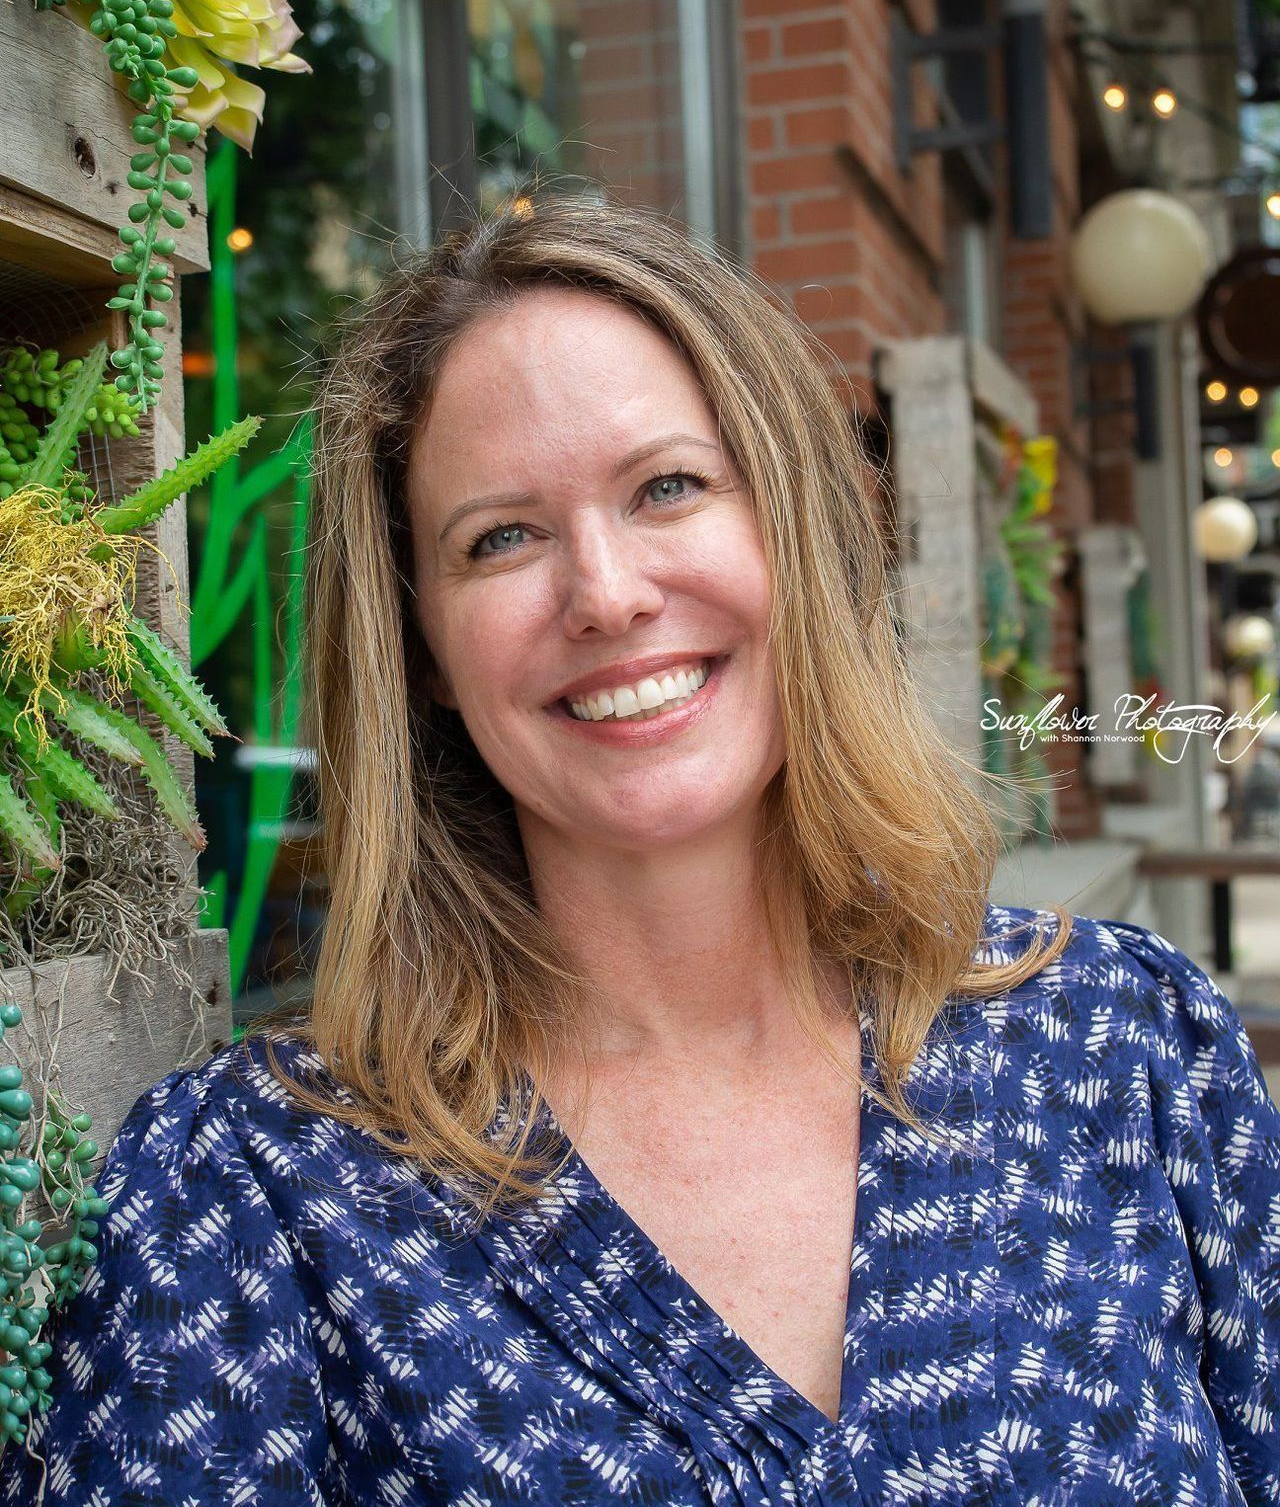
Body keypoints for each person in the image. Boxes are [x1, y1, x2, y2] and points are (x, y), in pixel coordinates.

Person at [4, 192, 1278, 1506]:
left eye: (668, 485)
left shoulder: (1128, 1046)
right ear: (424, 644)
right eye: (500, 536)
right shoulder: (259, 1197)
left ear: (795, 529)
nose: (605, 592)